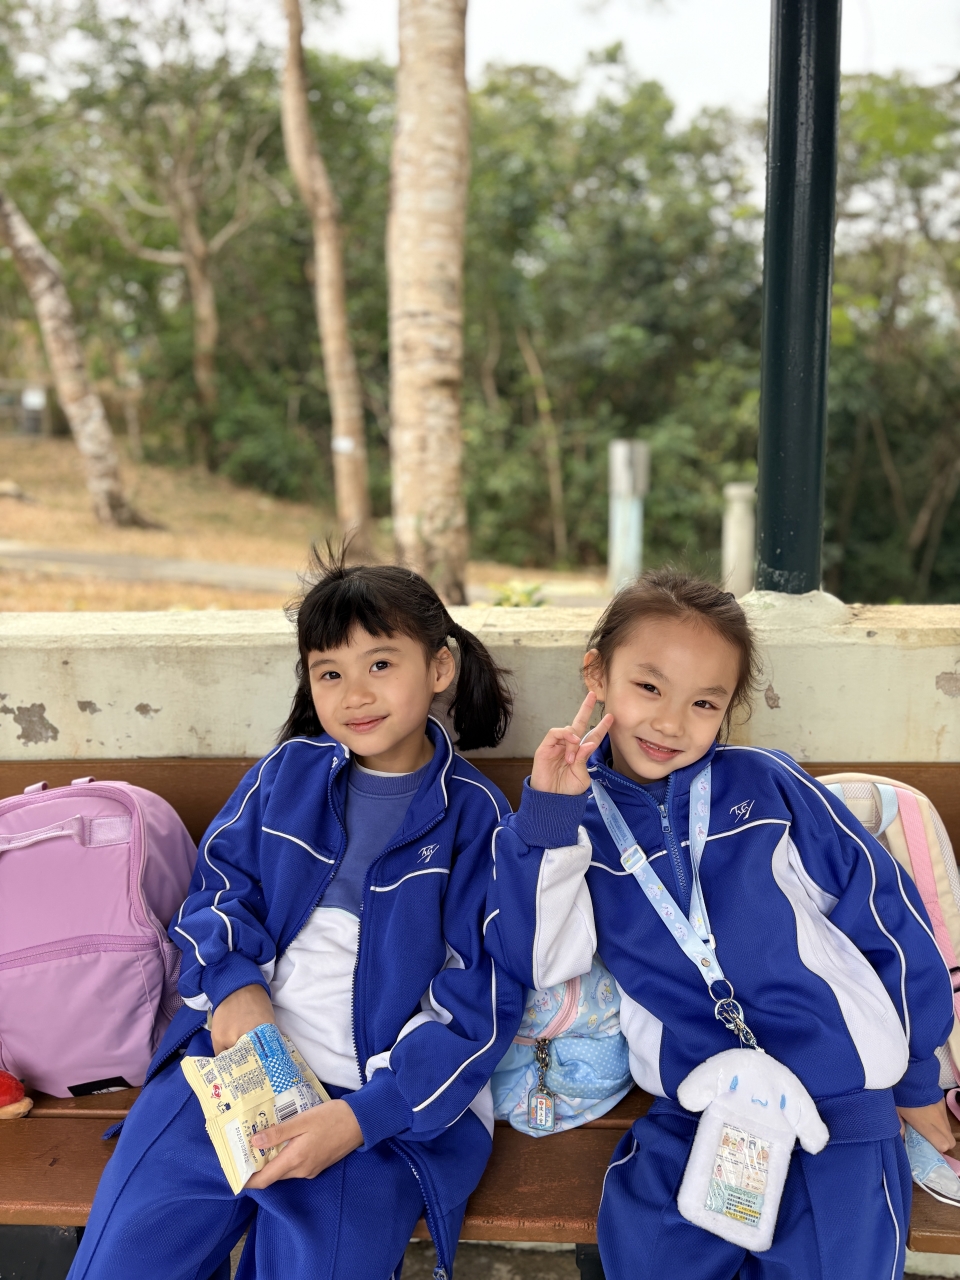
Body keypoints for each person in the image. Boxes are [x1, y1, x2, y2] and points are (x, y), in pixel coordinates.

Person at [484, 569, 955, 1280]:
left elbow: (885, 914)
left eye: (704, 702)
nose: (671, 723)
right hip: (699, 1103)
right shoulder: (571, 824)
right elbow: (538, 960)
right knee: (649, 1253)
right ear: (597, 674)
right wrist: (548, 816)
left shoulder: (768, 786)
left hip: (840, 1102)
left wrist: (917, 1079)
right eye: (649, 687)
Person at [70, 551, 523, 1280]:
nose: (354, 694)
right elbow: (216, 891)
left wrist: (361, 1119)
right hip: (233, 1066)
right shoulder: (285, 776)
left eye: (381, 664)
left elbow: (481, 1007)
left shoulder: (478, 820)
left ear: (440, 667)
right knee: (126, 1259)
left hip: (372, 1111)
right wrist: (234, 988)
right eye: (328, 672)